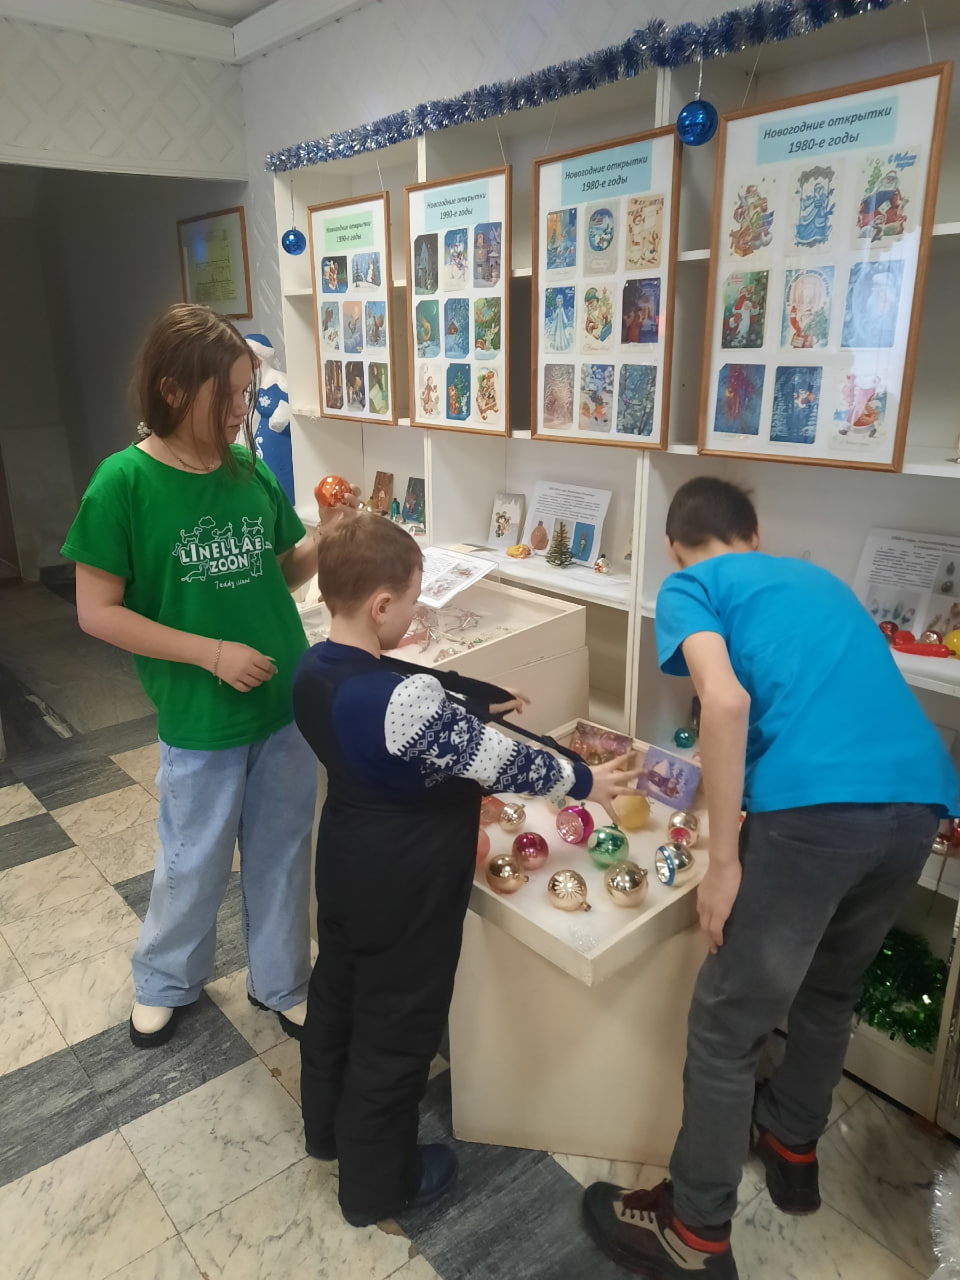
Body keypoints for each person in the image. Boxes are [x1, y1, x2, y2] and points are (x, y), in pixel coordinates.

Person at [582, 477, 958, 1279]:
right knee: (830, 990)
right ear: (755, 533)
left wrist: (724, 864)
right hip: (919, 802)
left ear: (675, 547)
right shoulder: (815, 580)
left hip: (819, 811)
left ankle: (694, 1233)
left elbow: (723, 705)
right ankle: (792, 1147)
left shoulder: (691, 585)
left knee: (726, 1027)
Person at [291, 514, 639, 1228]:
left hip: (349, 856)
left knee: (338, 995)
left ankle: (325, 1132)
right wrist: (584, 781)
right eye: (413, 600)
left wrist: (473, 697)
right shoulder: (398, 704)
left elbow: (404, 680)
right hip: (406, 875)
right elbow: (501, 759)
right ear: (380, 604)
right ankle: (377, 1187)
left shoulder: (316, 668)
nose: (417, 614)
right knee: (397, 1027)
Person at [61, 303, 357, 1050]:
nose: (239, 410)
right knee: (192, 861)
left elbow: (281, 571)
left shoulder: (247, 471)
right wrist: (211, 653)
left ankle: (282, 982)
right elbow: (96, 612)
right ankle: (165, 981)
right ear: (171, 389)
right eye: (225, 395)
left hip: (283, 704)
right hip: (200, 716)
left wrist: (327, 536)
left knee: (283, 851)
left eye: (245, 393)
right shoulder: (122, 483)